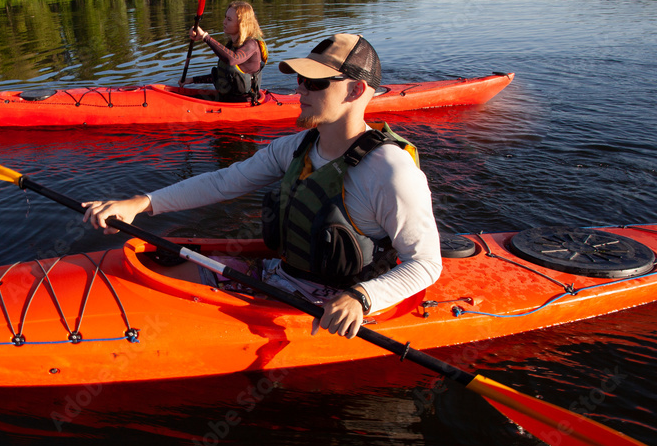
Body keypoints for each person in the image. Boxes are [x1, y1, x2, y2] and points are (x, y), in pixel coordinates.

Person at [84, 34, 442, 339]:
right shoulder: (296, 147)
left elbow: (425, 262)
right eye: (300, 79)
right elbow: (224, 182)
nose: (299, 89)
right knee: (161, 274)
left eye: (314, 82)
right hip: (277, 277)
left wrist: (361, 298)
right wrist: (140, 203)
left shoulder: (390, 170)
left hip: (327, 307)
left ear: (356, 90)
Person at [181, 0, 268, 103]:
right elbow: (223, 76)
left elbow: (233, 59)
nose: (224, 22)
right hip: (226, 99)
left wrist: (205, 37)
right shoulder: (232, 45)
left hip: (244, 103)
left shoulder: (251, 45)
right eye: (225, 17)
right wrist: (192, 80)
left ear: (241, 24)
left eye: (229, 19)